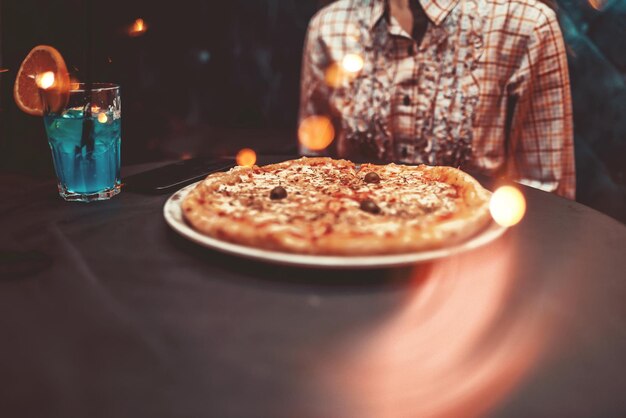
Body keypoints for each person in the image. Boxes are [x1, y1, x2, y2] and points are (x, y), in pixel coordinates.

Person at [299, 0, 575, 199]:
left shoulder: (524, 23)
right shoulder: (329, 25)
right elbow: (310, 169)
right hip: (347, 238)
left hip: (473, 250)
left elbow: (545, 193)